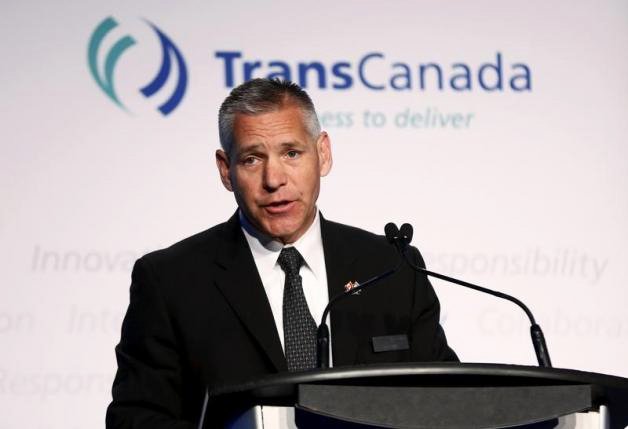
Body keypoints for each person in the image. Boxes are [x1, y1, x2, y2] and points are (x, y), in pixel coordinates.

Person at [106, 78, 457, 428]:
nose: (274, 179)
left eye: (291, 153)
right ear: (225, 170)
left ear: (323, 153)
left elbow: (450, 402)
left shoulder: (392, 267)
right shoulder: (171, 281)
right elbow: (135, 418)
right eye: (252, 159)